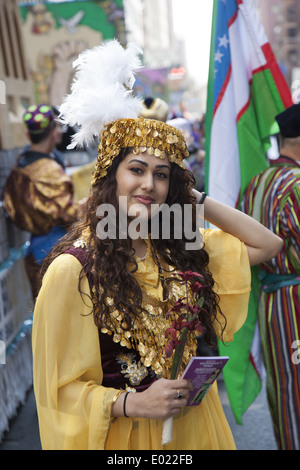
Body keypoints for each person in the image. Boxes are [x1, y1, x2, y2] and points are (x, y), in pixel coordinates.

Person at [32, 40, 283, 450]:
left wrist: (193, 198)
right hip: (128, 440)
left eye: (162, 175)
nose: (149, 185)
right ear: (109, 177)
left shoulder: (176, 249)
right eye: (136, 170)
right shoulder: (73, 268)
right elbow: (57, 390)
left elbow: (266, 244)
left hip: (197, 428)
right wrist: (132, 403)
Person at [241, 103, 300, 450]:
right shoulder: (295, 184)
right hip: (296, 299)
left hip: (271, 301)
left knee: (284, 383)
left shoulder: (257, 183)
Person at [2, 104, 83, 299]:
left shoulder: (19, 166)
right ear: (54, 132)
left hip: (33, 253)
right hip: (56, 252)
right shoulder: (49, 171)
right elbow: (70, 214)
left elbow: (11, 208)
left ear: (29, 135)